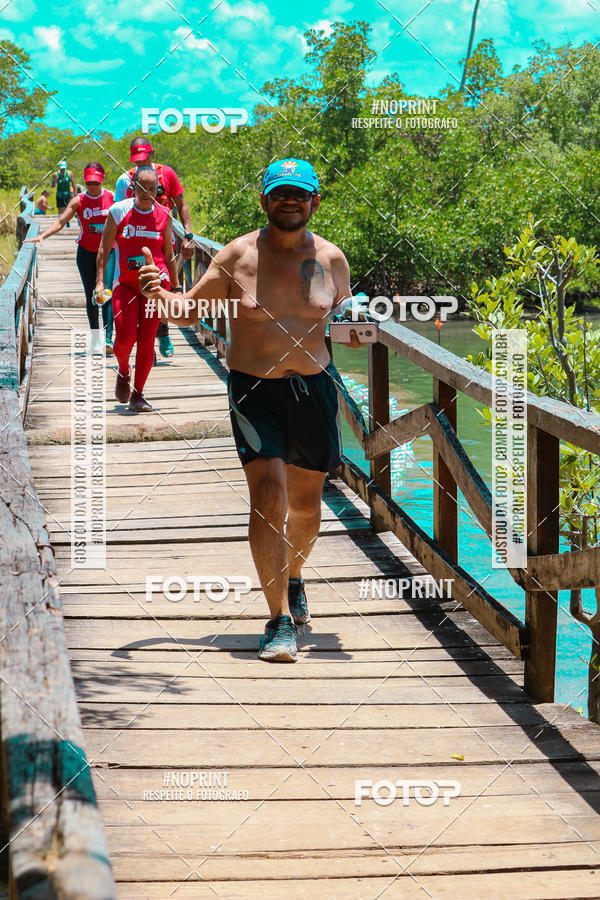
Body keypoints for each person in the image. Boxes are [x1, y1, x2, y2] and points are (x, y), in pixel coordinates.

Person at [139, 158, 365, 662]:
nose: (291, 200)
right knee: (268, 498)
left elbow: (349, 321)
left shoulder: (332, 259)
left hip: (314, 387)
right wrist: (159, 294)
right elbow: (189, 309)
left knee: (306, 508)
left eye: (300, 194)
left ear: (315, 202)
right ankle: (277, 619)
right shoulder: (237, 255)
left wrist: (363, 318)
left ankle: (296, 577)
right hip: (253, 392)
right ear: (264, 200)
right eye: (281, 192)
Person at [96, 166, 179, 412]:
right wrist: (100, 281)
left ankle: (139, 393)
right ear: (133, 188)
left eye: (152, 189)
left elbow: (168, 254)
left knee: (146, 340)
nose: (147, 193)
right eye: (142, 188)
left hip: (155, 286)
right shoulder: (119, 211)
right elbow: (104, 248)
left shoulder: (164, 215)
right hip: (126, 284)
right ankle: (123, 370)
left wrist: (175, 288)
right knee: (124, 337)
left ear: (158, 189)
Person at [113, 136, 194, 358]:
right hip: (135, 246)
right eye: (136, 159)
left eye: (144, 157)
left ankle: (163, 331)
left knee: (161, 293)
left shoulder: (167, 174)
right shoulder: (125, 179)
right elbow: (118, 212)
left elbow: (182, 204)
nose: (140, 163)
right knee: (138, 298)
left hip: (163, 242)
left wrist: (188, 235)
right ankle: (145, 345)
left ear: (152, 153)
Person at [25, 163, 116, 353]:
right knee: (92, 295)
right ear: (85, 180)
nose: (92, 186)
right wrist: (43, 235)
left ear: (103, 178)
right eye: (89, 182)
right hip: (85, 253)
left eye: (96, 182)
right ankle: (95, 337)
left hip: (108, 252)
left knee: (106, 293)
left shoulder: (112, 198)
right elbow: (60, 221)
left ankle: (108, 339)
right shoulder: (78, 200)